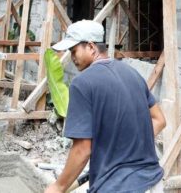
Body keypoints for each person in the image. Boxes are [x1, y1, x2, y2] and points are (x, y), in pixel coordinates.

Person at [45, 20, 166, 193]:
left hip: (117, 187)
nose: (72, 58)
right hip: (152, 182)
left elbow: (82, 150)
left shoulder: (82, 83)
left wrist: (58, 187)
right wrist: (125, 145)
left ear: (91, 47)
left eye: (74, 51)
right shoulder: (132, 74)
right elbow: (159, 120)